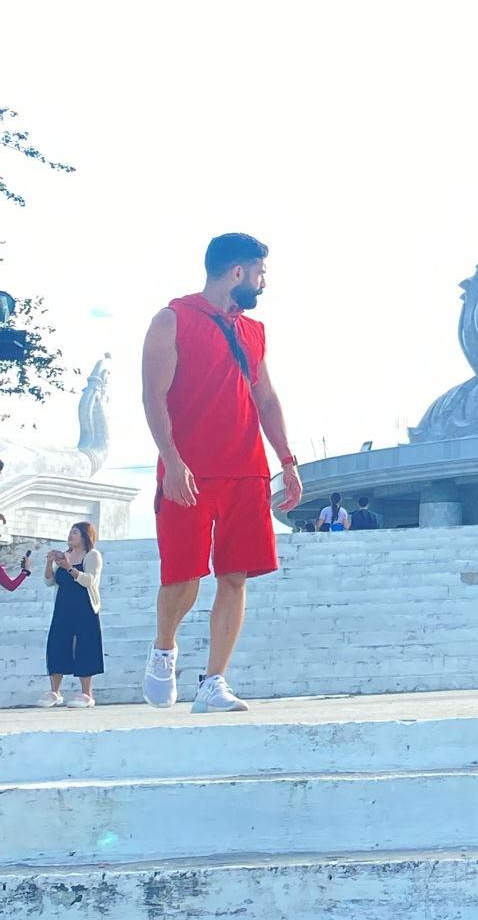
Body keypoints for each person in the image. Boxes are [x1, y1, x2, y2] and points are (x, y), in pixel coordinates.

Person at [139, 232, 302, 714]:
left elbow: (266, 398)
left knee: (235, 576)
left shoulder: (253, 331)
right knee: (183, 576)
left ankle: (214, 682)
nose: (263, 282)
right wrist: (172, 461)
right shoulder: (172, 319)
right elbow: (152, 396)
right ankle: (164, 648)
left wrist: (287, 461)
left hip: (246, 472)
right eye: (260, 272)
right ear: (237, 272)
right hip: (188, 472)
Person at [37, 521, 104, 707]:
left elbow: (89, 581)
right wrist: (50, 562)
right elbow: (49, 581)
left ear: (84, 536)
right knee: (56, 644)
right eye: (70, 532)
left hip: (84, 607)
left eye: (75, 532)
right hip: (63, 607)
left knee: (85, 646)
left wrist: (69, 567)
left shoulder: (92, 555)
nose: (70, 535)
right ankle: (55, 691)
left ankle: (86, 694)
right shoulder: (65, 555)